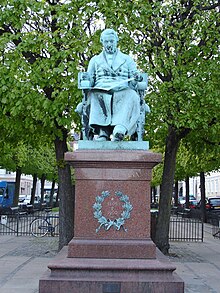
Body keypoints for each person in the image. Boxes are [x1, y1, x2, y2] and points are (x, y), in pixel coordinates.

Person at [82, 28, 144, 141]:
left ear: (116, 41)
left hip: (122, 90)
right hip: (101, 89)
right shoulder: (95, 60)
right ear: (102, 42)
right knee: (94, 95)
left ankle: (120, 129)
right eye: (106, 41)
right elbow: (90, 80)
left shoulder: (127, 59)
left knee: (132, 95)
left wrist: (136, 79)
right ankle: (103, 133)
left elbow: (133, 80)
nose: (109, 44)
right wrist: (87, 78)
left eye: (112, 41)